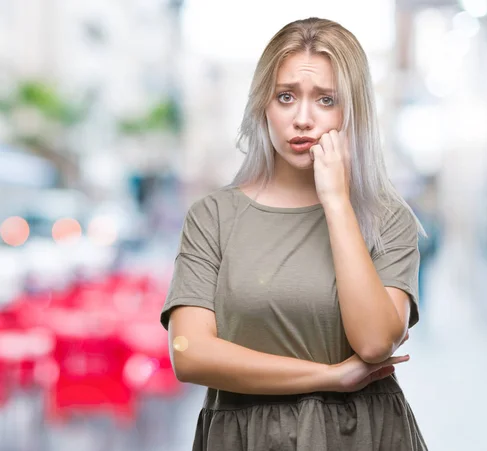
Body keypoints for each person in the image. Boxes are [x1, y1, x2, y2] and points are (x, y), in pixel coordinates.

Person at [160, 17, 428, 450]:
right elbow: (190, 354)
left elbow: (376, 341)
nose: (303, 119)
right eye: (286, 97)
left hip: (363, 434)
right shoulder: (213, 216)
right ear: (264, 104)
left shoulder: (386, 217)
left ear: (352, 110)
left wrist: (337, 202)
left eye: (325, 99)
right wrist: (328, 377)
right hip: (244, 435)